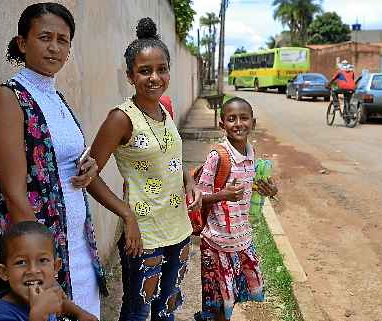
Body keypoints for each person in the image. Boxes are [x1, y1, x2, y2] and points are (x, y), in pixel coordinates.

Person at [0, 3, 140, 318]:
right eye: (45, 37)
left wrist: (91, 169)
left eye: (63, 39)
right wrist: (41, 268)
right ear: (22, 43)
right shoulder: (8, 98)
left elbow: (69, 163)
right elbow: (14, 195)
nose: (54, 47)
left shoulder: (56, 97)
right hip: (41, 251)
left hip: (78, 241)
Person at [88, 17, 201, 321]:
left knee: (167, 308)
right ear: (130, 75)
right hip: (145, 235)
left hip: (178, 229)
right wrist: (126, 214)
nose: (155, 77)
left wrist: (189, 180)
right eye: (145, 71)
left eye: (161, 69)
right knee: (138, 311)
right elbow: (88, 175)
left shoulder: (164, 107)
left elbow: (169, 157)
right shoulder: (121, 119)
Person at [194, 97, 278, 321]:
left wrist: (270, 191)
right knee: (221, 301)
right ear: (222, 125)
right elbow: (198, 198)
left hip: (242, 241)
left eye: (244, 118)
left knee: (233, 297)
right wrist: (224, 195)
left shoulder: (252, 156)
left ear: (253, 122)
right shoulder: (218, 157)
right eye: (231, 119)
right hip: (218, 243)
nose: (238, 123)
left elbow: (253, 193)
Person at [0, 221, 96, 321]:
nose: (33, 270)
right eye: (21, 262)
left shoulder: (49, 288)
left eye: (42, 260)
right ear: (4, 272)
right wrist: (38, 314)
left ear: (55, 267)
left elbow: (60, 302)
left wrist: (80, 313)